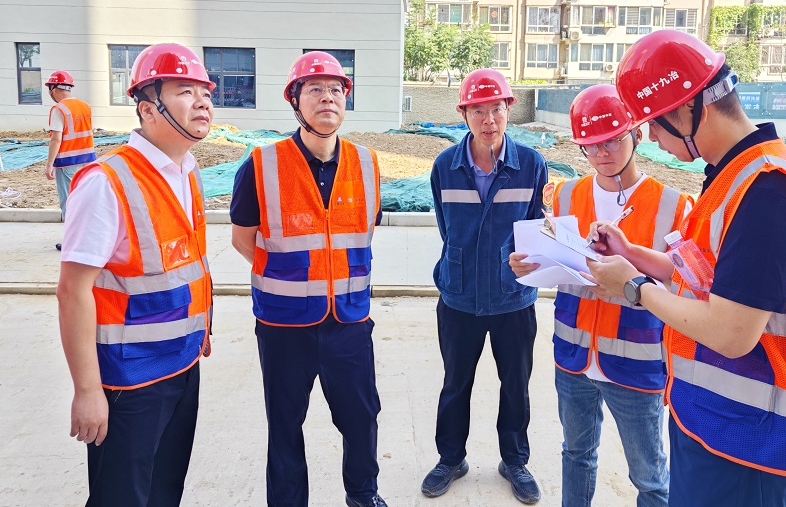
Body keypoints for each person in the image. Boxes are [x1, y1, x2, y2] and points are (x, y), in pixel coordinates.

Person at [585, 30, 786, 507]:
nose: (650, 138)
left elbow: (732, 334)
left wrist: (634, 288)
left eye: (654, 123)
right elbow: (706, 279)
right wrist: (634, 254)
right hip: (717, 419)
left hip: (751, 438)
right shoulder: (733, 174)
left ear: (691, 109)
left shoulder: (769, 193)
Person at [510, 85, 691, 507]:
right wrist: (527, 266)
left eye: (611, 140)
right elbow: (557, 264)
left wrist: (632, 276)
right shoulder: (565, 196)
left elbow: (684, 286)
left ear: (637, 135)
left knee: (650, 478)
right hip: (573, 357)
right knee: (576, 455)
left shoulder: (672, 205)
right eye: (590, 144)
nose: (601, 152)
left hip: (636, 364)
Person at [56, 43, 215, 506]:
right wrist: (88, 390)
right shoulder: (107, 182)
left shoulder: (187, 172)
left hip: (182, 364)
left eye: (205, 92)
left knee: (164, 492)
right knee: (122, 497)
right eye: (185, 91)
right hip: (128, 382)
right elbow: (73, 291)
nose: (203, 102)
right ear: (148, 109)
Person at [230, 51, 387, 507]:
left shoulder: (366, 163)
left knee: (362, 418)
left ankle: (363, 495)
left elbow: (361, 232)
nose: (327, 98)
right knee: (284, 425)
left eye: (336, 90)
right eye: (315, 89)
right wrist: (290, 277)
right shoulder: (261, 164)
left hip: (349, 323)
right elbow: (242, 239)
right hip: (284, 325)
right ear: (295, 101)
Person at [422, 68, 549, 504]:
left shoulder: (531, 165)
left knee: (516, 384)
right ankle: (450, 459)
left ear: (509, 109)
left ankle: (514, 461)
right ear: (464, 114)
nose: (488, 119)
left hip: (513, 297)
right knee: (455, 383)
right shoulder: (445, 166)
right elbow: (447, 228)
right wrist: (461, 265)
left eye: (496, 108)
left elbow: (534, 229)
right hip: (458, 296)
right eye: (477, 110)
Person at [45, 70, 96, 250]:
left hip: (67, 163)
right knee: (86, 200)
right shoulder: (85, 106)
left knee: (69, 202)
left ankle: (73, 242)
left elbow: (56, 139)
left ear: (54, 88)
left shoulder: (59, 109)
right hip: (89, 161)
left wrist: (49, 164)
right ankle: (89, 237)